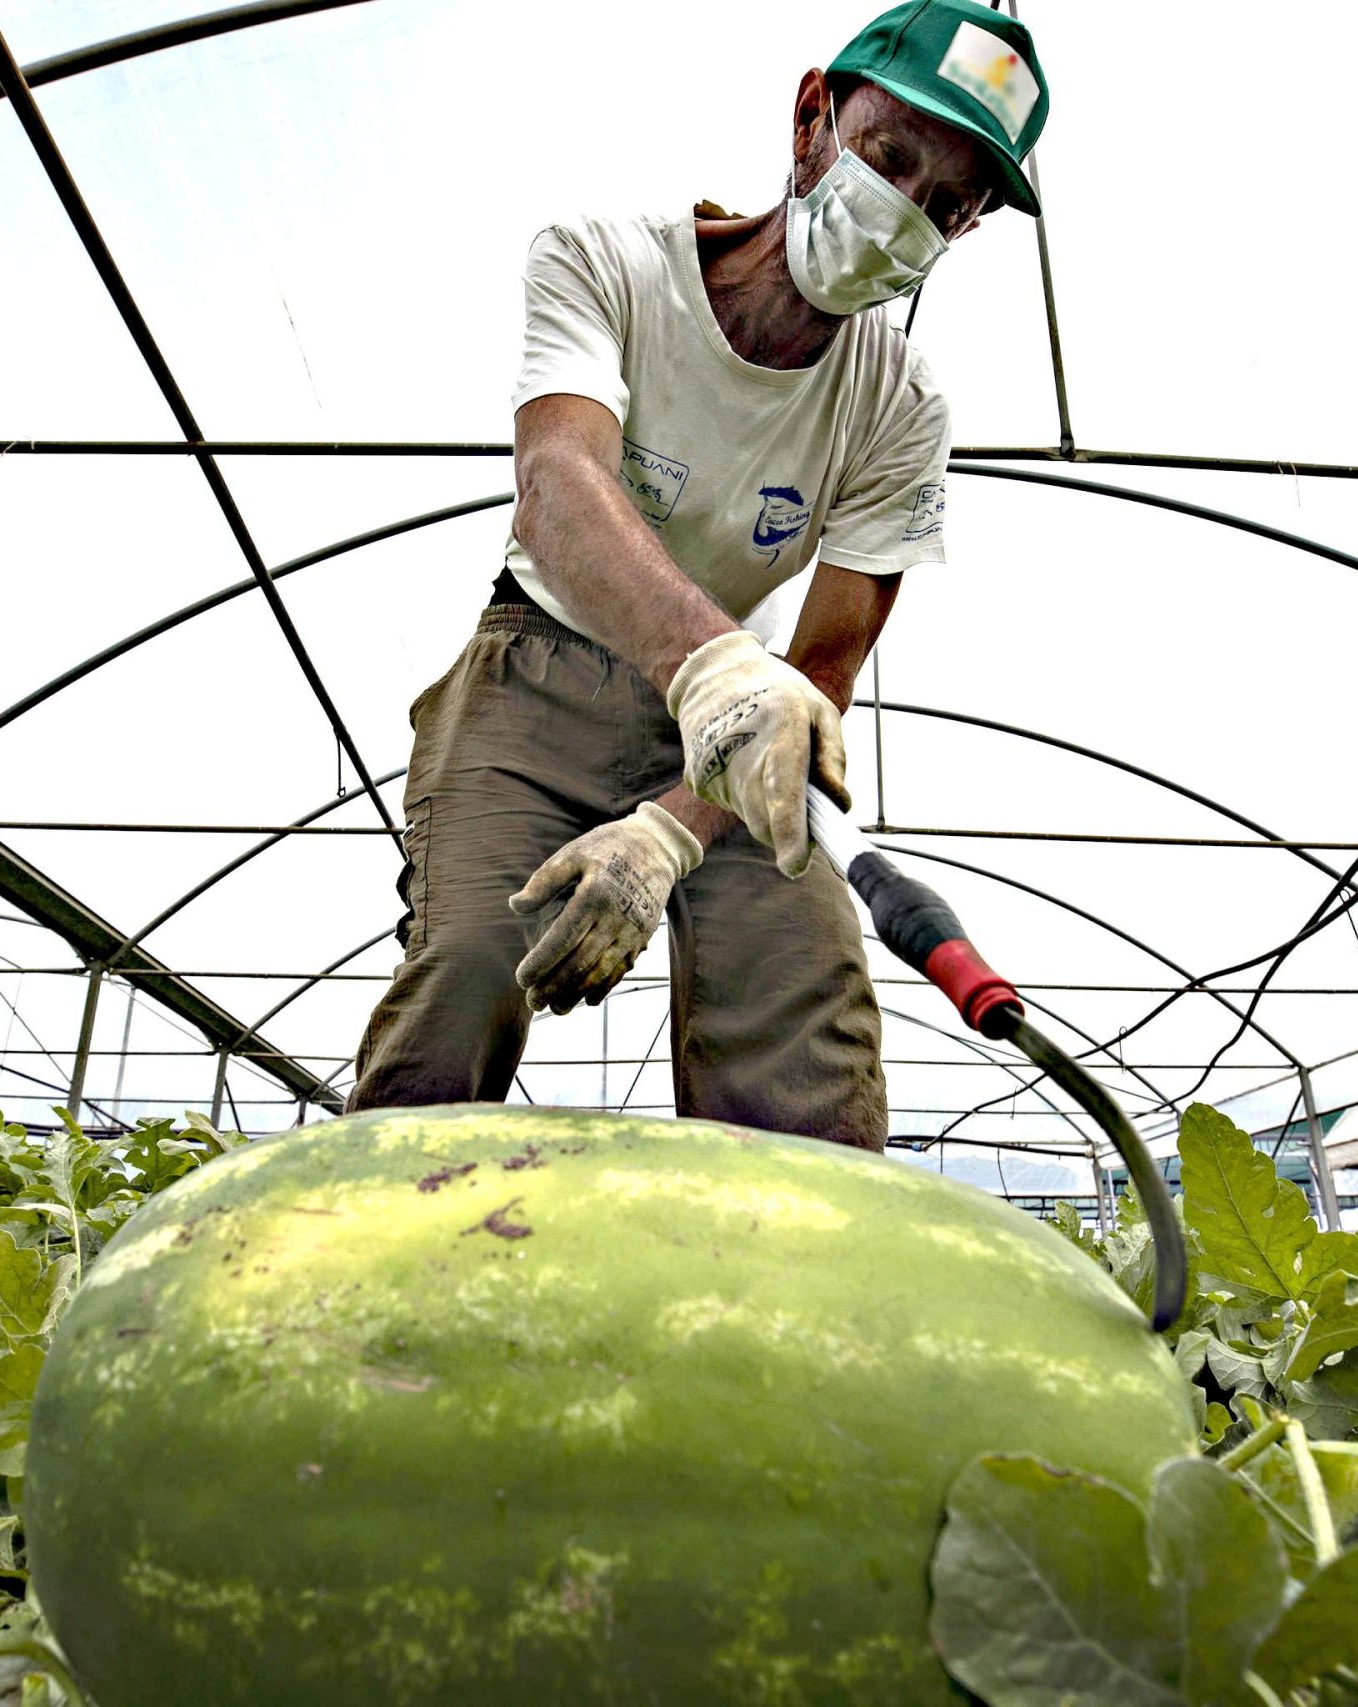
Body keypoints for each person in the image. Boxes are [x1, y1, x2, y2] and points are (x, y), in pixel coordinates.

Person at [345, 0, 1051, 1149]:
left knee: (802, 1005)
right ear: (812, 115)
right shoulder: (608, 263)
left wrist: (671, 830)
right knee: (471, 970)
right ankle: (358, 1287)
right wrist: (714, 663)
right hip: (540, 674)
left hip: (739, 728)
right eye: (888, 160)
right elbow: (559, 480)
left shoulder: (900, 404)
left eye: (946, 207)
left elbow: (820, 666)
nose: (904, 217)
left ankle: (782, 1301)